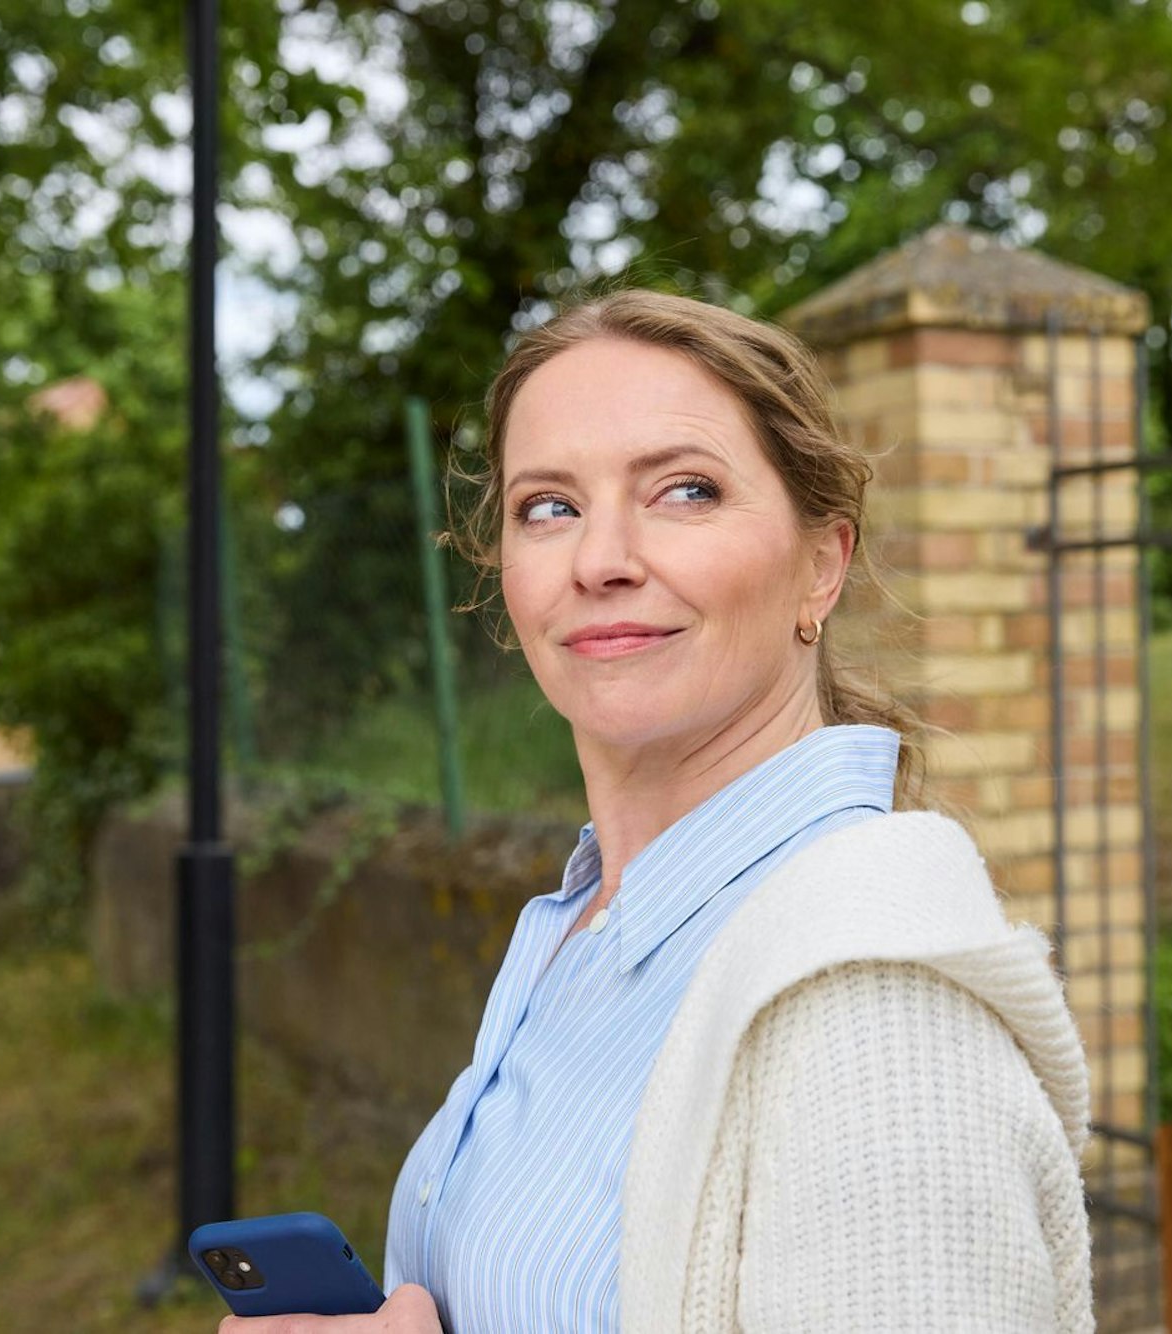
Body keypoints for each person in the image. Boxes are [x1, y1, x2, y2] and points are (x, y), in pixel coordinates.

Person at [223, 290, 1093, 1334]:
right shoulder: (582, 927)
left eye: (684, 490)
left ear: (821, 562)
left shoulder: (871, 1013)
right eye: (548, 505)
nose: (600, 559)